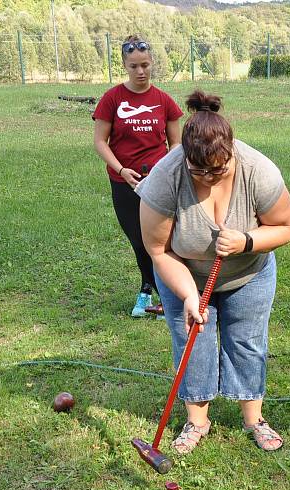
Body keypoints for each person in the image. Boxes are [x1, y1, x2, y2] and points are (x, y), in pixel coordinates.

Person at [137, 90, 290, 455]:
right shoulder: (166, 177)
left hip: (249, 273)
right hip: (184, 274)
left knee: (247, 340)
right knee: (193, 342)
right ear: (184, 157)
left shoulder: (259, 171)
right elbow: (158, 251)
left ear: (231, 153)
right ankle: (197, 421)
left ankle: (253, 418)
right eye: (199, 170)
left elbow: (287, 227)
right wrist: (189, 295)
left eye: (218, 169)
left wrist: (245, 240)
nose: (208, 177)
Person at [93, 35, 183, 318]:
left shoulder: (164, 101)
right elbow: (100, 141)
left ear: (152, 62)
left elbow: (177, 145)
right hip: (124, 182)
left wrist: (162, 170)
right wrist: (121, 170)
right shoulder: (112, 99)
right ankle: (154, 290)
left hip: (158, 182)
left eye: (144, 65)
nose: (140, 71)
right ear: (125, 65)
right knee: (138, 239)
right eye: (134, 66)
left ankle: (163, 292)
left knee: (163, 239)